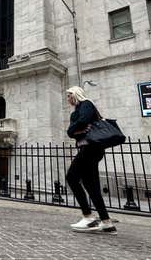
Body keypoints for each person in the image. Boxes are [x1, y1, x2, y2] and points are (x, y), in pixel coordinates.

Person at [65, 86, 117, 234]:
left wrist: (75, 129)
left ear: (75, 95)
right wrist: (76, 129)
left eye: (69, 96)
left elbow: (82, 122)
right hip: (88, 148)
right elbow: (71, 133)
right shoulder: (77, 110)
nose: (68, 99)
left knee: (72, 177)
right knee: (91, 185)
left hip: (90, 148)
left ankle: (88, 217)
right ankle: (107, 223)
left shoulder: (86, 104)